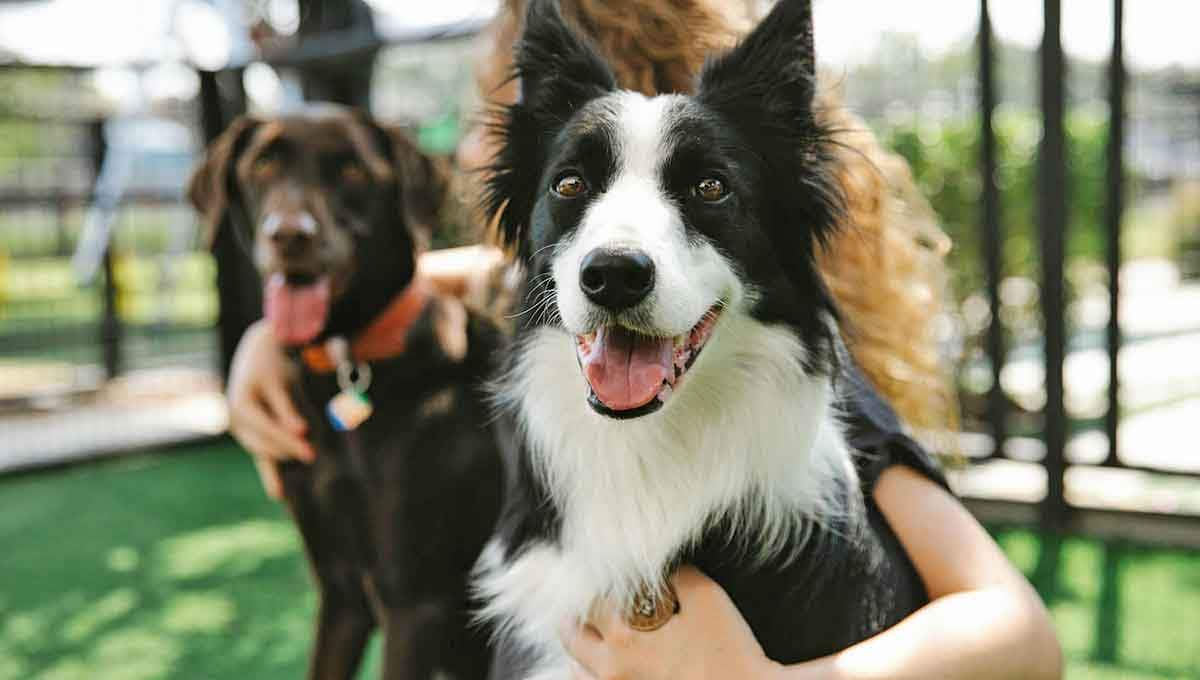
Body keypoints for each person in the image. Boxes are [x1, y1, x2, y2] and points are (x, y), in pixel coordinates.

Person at [223, 1, 1062, 678]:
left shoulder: (826, 406)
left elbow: (1020, 633)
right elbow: (474, 275)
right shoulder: (541, 287)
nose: (614, 255)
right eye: (572, 184)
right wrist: (277, 336)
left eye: (703, 187)